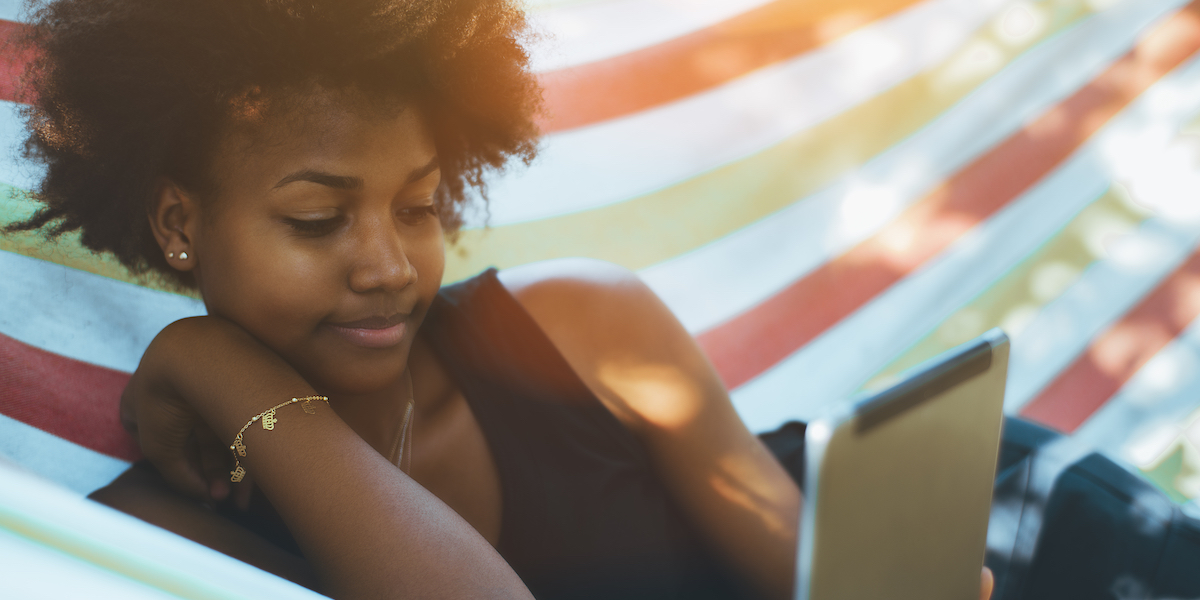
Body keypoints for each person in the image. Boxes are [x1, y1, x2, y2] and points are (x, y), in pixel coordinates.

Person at [6, 0, 995, 598]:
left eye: (421, 206)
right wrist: (220, 364)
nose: (388, 266)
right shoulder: (153, 529)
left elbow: (818, 582)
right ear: (179, 221)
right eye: (317, 221)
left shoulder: (582, 332)